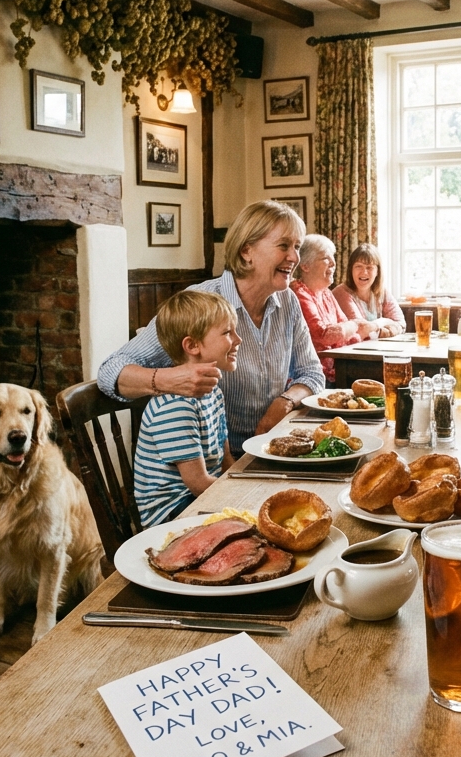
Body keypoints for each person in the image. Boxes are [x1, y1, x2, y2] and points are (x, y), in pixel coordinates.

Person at [98, 200, 325, 455]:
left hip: (273, 448)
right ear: (246, 251)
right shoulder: (200, 305)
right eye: (284, 245)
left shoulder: (287, 301)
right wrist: (169, 379)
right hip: (214, 465)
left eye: (297, 247)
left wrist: (285, 401)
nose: (294, 257)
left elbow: (312, 374)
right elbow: (109, 371)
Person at [133, 290, 239, 527]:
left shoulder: (213, 391)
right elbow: (198, 483)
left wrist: (247, 486)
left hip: (201, 496)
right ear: (192, 345)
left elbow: (226, 460)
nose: (238, 340)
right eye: (227, 333)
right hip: (172, 512)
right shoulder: (176, 406)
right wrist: (243, 498)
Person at [292, 234, 380, 384]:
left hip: (337, 370)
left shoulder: (326, 293)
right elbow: (323, 334)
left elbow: (347, 334)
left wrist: (354, 331)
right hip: (313, 377)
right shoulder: (299, 294)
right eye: (325, 258)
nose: (333, 263)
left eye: (333, 257)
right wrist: (354, 325)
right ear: (305, 265)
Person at [332, 243, 406, 338]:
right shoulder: (341, 293)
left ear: (377, 272)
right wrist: (384, 322)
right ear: (351, 270)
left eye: (369, 267)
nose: (364, 272)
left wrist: (377, 329)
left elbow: (401, 324)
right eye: (359, 266)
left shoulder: (382, 292)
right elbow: (361, 330)